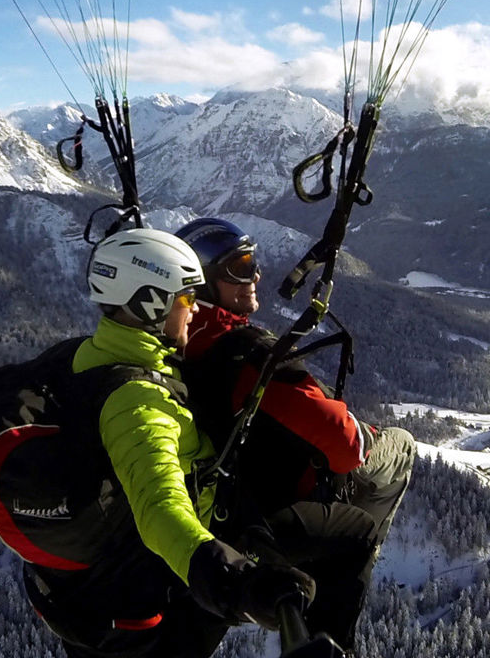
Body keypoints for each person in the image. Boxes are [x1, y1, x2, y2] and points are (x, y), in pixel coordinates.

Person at [24, 227, 316, 658]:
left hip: (101, 586)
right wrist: (238, 582)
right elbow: (160, 509)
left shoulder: (90, 354)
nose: (196, 309)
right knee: (350, 535)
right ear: (150, 303)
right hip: (156, 593)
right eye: (187, 298)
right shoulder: (137, 403)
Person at [172, 217, 417, 653]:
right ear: (204, 282)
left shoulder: (174, 343)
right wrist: (357, 431)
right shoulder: (248, 356)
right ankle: (344, 585)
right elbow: (346, 448)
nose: (256, 275)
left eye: (254, 263)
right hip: (266, 509)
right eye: (240, 268)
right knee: (400, 450)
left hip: (217, 502)